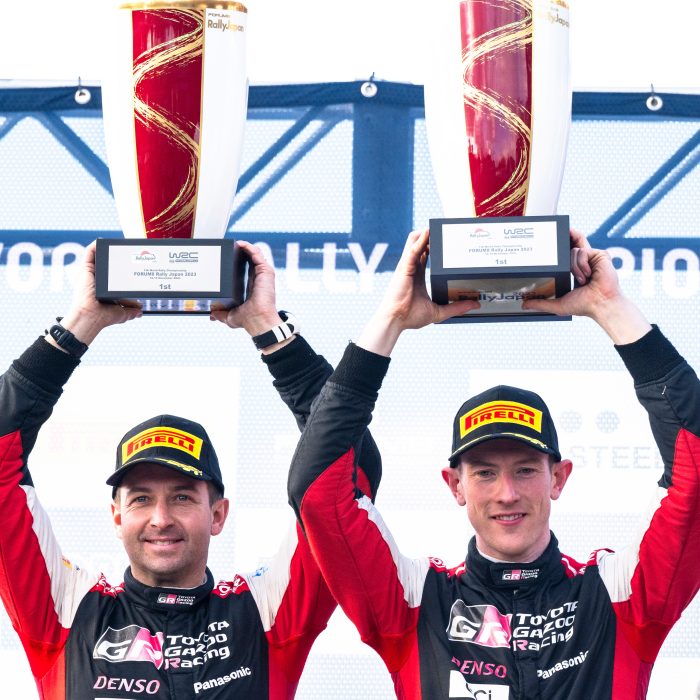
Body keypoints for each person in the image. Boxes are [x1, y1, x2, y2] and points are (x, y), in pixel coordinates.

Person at [287, 228, 700, 699]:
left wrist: (612, 309)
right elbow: (318, 494)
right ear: (455, 485)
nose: (507, 493)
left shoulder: (618, 595)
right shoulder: (413, 603)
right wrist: (391, 319)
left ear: (558, 477)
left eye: (525, 469)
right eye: (485, 472)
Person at [0, 240, 380, 699]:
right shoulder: (66, 610)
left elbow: (350, 472)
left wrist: (269, 331)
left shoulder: (265, 612)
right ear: (116, 516)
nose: (160, 518)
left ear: (217, 514)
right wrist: (80, 324)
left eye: (182, 496)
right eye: (141, 499)